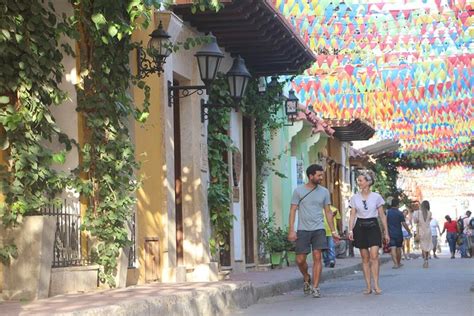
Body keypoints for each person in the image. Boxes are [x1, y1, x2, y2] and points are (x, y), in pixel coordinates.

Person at [287, 164, 339, 298]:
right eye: (319, 175)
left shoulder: (324, 192)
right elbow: (293, 210)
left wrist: (333, 231)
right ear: (311, 176)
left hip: (319, 229)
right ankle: (306, 276)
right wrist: (291, 230)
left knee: (317, 257)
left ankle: (316, 287)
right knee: (300, 260)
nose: (321, 177)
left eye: (322, 175)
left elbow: (328, 212)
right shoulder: (298, 191)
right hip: (303, 229)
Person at [348, 170, 389, 295]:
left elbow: (382, 216)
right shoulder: (354, 198)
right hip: (360, 226)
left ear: (368, 182)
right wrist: (350, 230)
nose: (358, 183)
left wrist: (386, 232)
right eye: (358, 181)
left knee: (374, 255)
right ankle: (368, 286)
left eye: (360, 180)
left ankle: (376, 284)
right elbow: (352, 215)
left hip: (373, 226)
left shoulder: (377, 197)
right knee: (365, 257)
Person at [386, 198, 411, 269]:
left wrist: (384, 232)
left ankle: (395, 264)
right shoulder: (400, 213)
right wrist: (408, 231)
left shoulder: (388, 212)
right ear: (397, 205)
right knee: (398, 248)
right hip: (399, 233)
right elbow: (404, 223)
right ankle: (399, 263)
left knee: (392, 248)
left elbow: (384, 222)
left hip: (390, 233)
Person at [413, 200, 433, 268]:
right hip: (428, 231)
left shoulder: (417, 212)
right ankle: (426, 259)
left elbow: (415, 221)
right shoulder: (430, 213)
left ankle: (424, 260)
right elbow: (429, 220)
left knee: (423, 247)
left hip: (421, 231)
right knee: (427, 246)